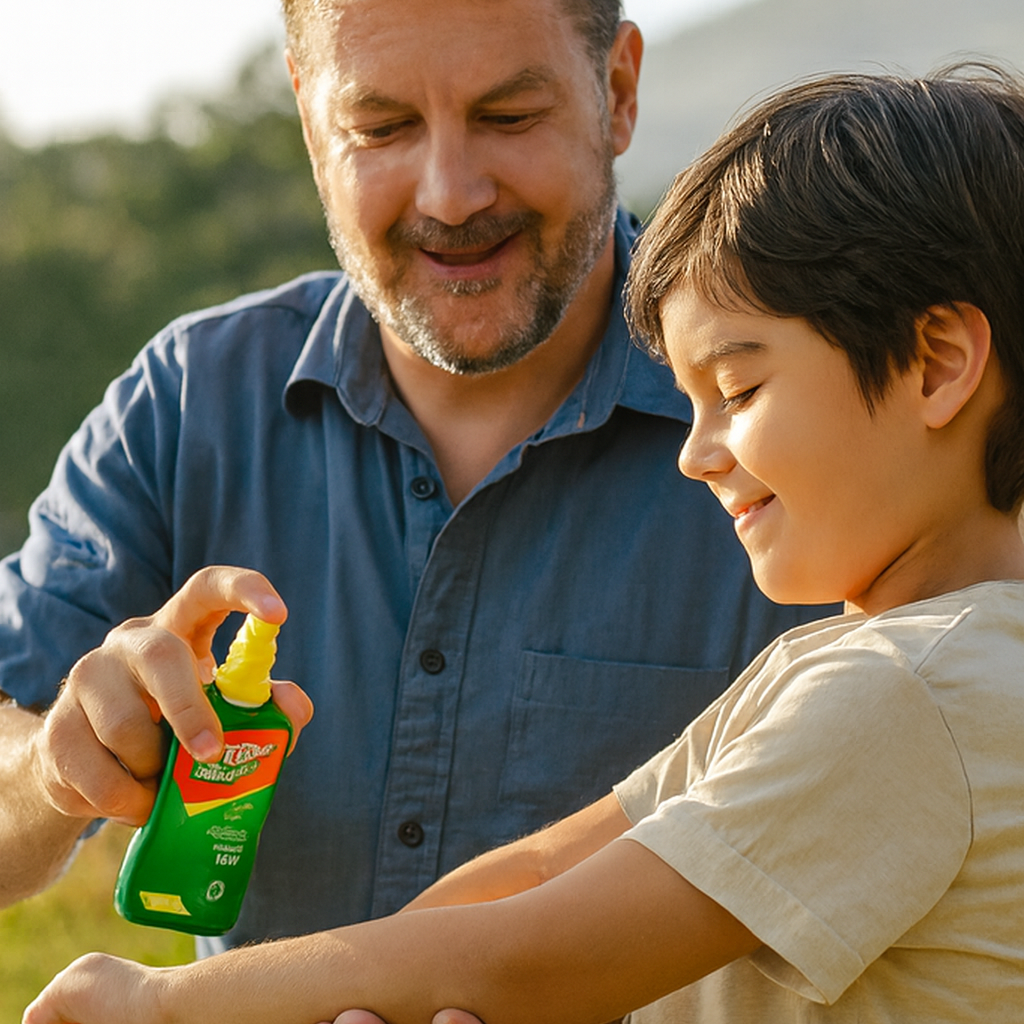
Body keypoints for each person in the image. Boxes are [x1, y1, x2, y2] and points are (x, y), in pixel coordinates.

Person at [24, 62, 1024, 1024]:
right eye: (384, 126)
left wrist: (166, 1006)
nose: (697, 455)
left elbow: (536, 954)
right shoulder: (844, 665)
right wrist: (361, 990)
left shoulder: (906, 695)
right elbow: (537, 873)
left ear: (936, 365)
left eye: (739, 391)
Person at [0, 0, 818, 952]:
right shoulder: (186, 404)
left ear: (619, 92)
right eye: (381, 127)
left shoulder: (797, 424)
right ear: (311, 121)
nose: (451, 193)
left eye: (508, 117)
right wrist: (53, 770)